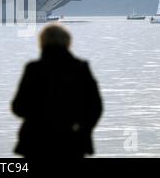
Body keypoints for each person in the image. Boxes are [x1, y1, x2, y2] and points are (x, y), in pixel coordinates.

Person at [11, 23, 103, 158]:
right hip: (72, 143)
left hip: (36, 143)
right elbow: (96, 108)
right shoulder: (81, 68)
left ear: (42, 42)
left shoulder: (33, 69)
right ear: (68, 41)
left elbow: (18, 107)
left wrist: (37, 118)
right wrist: (83, 131)